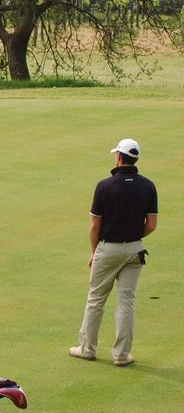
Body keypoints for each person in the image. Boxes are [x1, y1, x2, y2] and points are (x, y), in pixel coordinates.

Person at [70, 138, 158, 366]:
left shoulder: (104, 186)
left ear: (119, 157)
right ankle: (121, 355)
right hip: (135, 250)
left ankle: (87, 349)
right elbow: (151, 225)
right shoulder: (148, 186)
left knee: (96, 299)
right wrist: (132, 235)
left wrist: (94, 252)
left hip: (108, 249)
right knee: (127, 301)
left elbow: (95, 226)